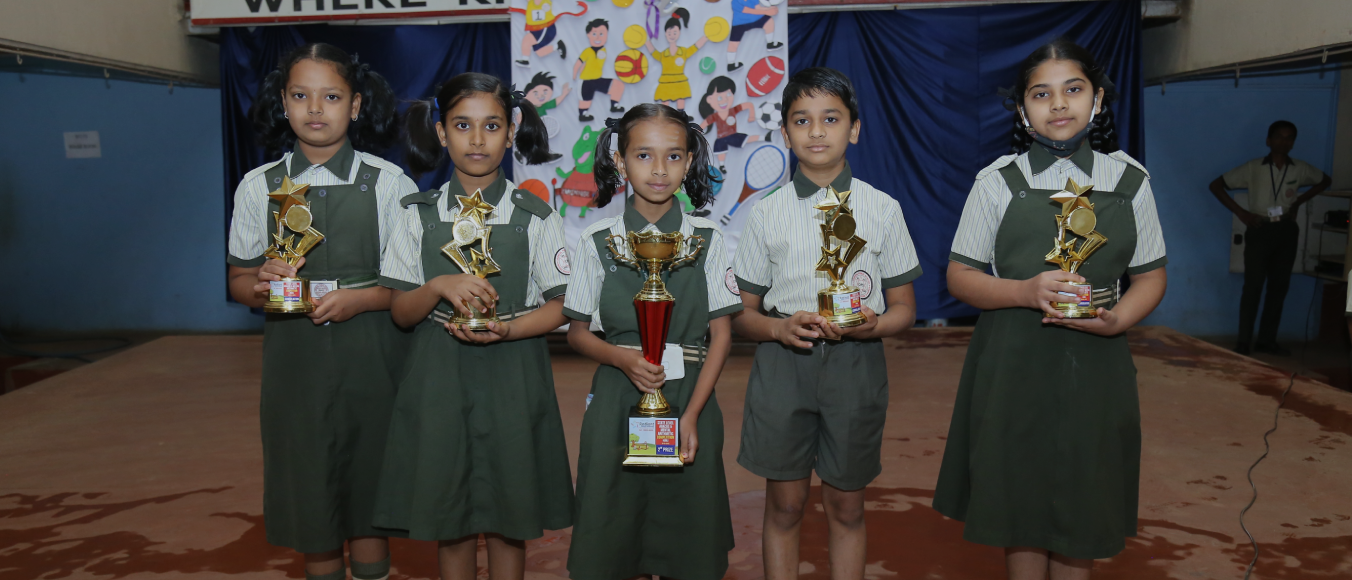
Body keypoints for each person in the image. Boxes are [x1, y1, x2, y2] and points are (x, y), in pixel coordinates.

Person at [932, 39, 1168, 580]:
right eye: (1042, 94)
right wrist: (1023, 291)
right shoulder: (996, 182)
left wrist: (1118, 320)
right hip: (1013, 363)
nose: (1058, 104)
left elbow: (1151, 277)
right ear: (1022, 109)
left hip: (1096, 365)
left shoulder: (1130, 181)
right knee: (1020, 509)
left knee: (1082, 509)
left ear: (1098, 101)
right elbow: (960, 277)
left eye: (1073, 90)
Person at [371, 72, 573, 580]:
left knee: (511, 518)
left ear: (511, 132)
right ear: (441, 133)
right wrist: (438, 285)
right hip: (439, 383)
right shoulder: (415, 214)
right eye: (462, 125)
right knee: (450, 518)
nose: (477, 139)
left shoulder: (536, 216)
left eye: (491, 126)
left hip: (514, 378)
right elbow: (400, 311)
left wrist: (509, 329)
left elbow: (562, 308)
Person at [226, 42, 415, 580]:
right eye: (301, 96)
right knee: (310, 491)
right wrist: (260, 285)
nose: (316, 109)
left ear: (355, 106)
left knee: (369, 489)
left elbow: (411, 287)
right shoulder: (257, 187)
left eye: (331, 96)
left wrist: (364, 298)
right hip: (296, 368)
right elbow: (239, 279)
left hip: (374, 363)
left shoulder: (388, 183)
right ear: (283, 104)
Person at [731, 67, 921, 580]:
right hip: (782, 370)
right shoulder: (765, 214)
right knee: (785, 508)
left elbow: (905, 309)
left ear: (854, 129)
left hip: (856, 371)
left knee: (848, 509)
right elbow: (742, 314)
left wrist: (872, 325)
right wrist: (777, 328)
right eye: (802, 120)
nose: (816, 132)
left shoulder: (882, 210)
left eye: (830, 119)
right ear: (786, 134)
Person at [564, 104, 740, 580]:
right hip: (616, 401)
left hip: (690, 398)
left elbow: (721, 334)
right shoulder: (596, 239)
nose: (659, 169)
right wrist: (620, 359)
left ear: (689, 162)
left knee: (688, 540)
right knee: (614, 533)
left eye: (674, 156)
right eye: (643, 155)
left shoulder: (707, 237)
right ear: (620, 162)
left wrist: (693, 415)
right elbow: (578, 332)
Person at [1208, 120, 1331, 355]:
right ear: (1268, 140)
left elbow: (1325, 181)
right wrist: (1242, 213)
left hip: (1285, 230)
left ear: (1293, 142)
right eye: (1278, 136)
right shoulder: (1253, 167)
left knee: (1279, 287)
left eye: (1288, 137)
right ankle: (1244, 342)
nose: (1283, 141)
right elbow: (1216, 186)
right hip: (1260, 229)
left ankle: (1267, 340)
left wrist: (1299, 201)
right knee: (1253, 287)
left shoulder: (1300, 168)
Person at [645, 8, 708, 110]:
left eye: (674, 32)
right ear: (665, 33)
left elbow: (695, 47)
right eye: (669, 33)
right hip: (666, 81)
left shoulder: (683, 52)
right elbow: (654, 53)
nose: (672, 35)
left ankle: (682, 116)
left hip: (680, 81)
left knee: (681, 100)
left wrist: (705, 37)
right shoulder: (663, 54)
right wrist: (646, 42)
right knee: (665, 105)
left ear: (679, 32)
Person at [574, 18, 627, 122]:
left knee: (618, 85)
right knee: (585, 100)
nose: (598, 37)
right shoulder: (587, 51)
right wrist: (574, 74)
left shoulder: (604, 50)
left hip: (598, 79)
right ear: (588, 35)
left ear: (607, 35)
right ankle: (583, 113)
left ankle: (614, 105)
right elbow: (579, 63)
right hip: (586, 80)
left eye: (602, 33)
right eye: (594, 34)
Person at [725, 0, 782, 72]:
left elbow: (757, 8)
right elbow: (748, 10)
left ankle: (770, 43)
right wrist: (767, 11)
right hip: (739, 23)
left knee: (769, 21)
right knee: (733, 43)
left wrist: (770, 9)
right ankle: (731, 64)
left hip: (755, 19)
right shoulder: (735, 2)